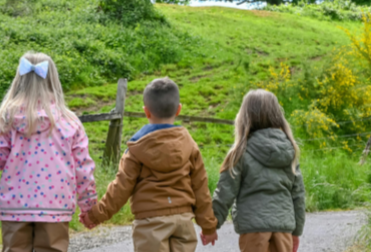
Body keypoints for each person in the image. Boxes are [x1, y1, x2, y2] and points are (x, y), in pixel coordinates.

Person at [0, 52, 97, 252]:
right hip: (55, 207)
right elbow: (83, 169)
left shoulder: (8, 117)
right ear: (53, 80)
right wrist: (89, 206)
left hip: (15, 207)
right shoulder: (70, 122)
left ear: (18, 80)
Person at [80, 77, 218, 252]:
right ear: (178, 109)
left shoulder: (136, 149)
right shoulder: (190, 146)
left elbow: (120, 189)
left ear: (146, 112)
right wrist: (208, 226)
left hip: (150, 224)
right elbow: (201, 189)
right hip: (183, 222)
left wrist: (96, 215)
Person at [210, 89, 305, 252]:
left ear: (244, 118)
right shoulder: (290, 151)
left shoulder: (240, 153)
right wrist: (297, 232)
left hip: (253, 231)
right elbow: (298, 195)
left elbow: (225, 191)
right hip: (283, 230)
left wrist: (211, 224)